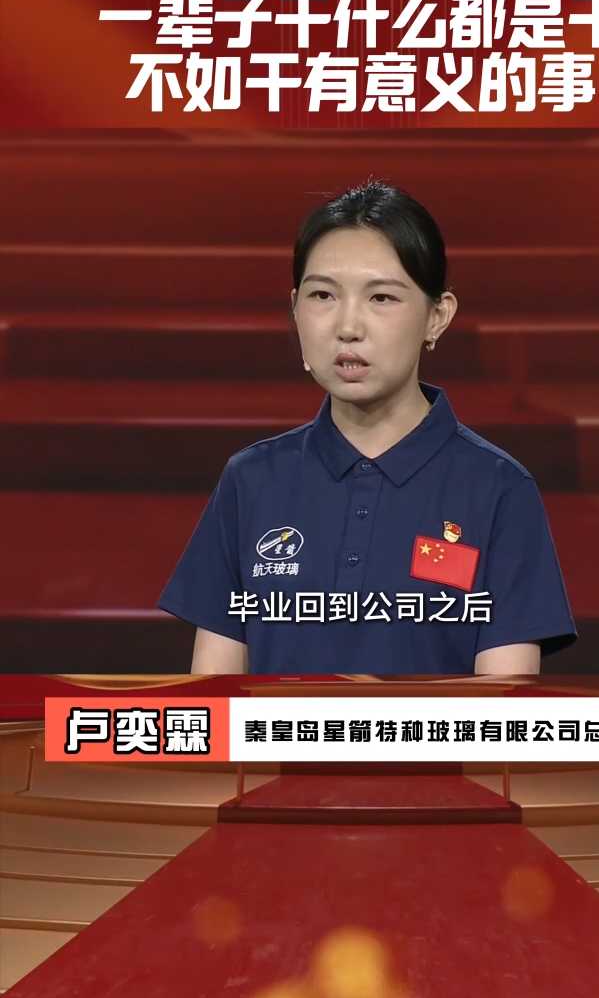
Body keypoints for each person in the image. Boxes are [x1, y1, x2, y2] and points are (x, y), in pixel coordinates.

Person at [158, 180, 577, 675]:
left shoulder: (499, 488)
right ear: (295, 309)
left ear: (437, 317)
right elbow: (214, 695)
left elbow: (504, 707)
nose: (348, 327)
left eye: (381, 297)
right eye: (322, 295)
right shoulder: (251, 480)